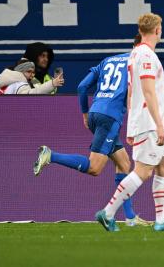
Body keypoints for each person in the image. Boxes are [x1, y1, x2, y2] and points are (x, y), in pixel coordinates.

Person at [32, 37, 150, 227]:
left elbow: (82, 86)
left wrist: (85, 113)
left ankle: (130, 217)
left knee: (124, 163)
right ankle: (50, 155)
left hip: (96, 112)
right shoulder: (138, 64)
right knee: (95, 168)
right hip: (109, 118)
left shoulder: (108, 60)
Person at [95, 13, 164, 232]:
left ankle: (162, 220)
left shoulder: (136, 54)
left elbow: (130, 92)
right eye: (161, 28)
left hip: (151, 120)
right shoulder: (145, 55)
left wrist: (131, 124)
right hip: (150, 122)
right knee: (143, 171)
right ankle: (107, 213)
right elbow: (146, 91)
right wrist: (158, 124)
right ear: (157, 30)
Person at [0, 58, 64, 95]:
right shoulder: (20, 85)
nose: (32, 74)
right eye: (28, 71)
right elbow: (33, 94)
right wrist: (52, 83)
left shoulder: (6, 81)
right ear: (20, 71)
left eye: (33, 72)